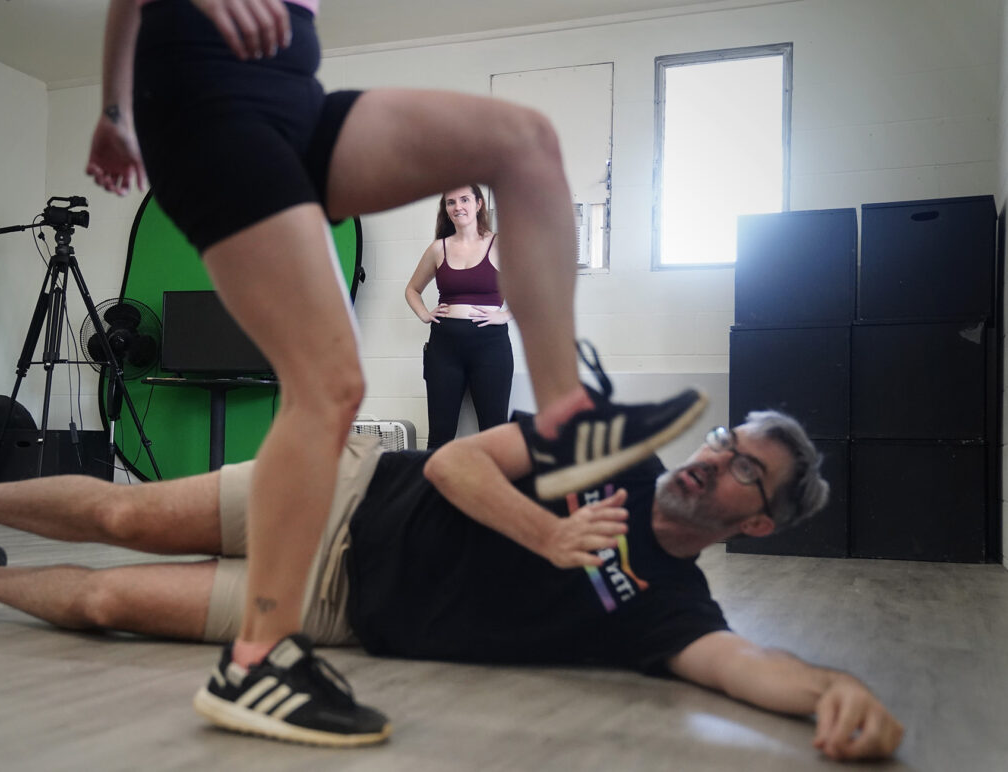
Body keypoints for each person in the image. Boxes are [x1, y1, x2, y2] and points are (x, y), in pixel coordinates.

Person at [83, 0, 706, 744]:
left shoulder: (485, 241)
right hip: (203, 94)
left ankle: (567, 417)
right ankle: (256, 662)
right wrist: (120, 106)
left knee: (525, 141)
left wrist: (112, 108)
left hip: (296, 106)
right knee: (331, 384)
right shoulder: (438, 251)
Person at [0, 404, 902, 761]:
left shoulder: (669, 609)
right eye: (724, 436)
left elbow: (741, 662)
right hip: (346, 497)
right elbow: (451, 462)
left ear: (754, 521)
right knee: (123, 516)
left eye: (743, 469)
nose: (714, 457)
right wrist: (548, 534)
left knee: (112, 602)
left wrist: (830, 690)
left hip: (345, 611)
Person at [406, 185, 513, 449]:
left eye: (464, 200)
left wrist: (506, 315)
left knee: (494, 431)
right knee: (440, 434)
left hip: (491, 347)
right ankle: (433, 491)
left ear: (478, 204)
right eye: (451, 202)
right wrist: (424, 314)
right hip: (444, 348)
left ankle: (493, 490)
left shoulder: (500, 243)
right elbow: (412, 289)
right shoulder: (438, 248)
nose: (458, 207)